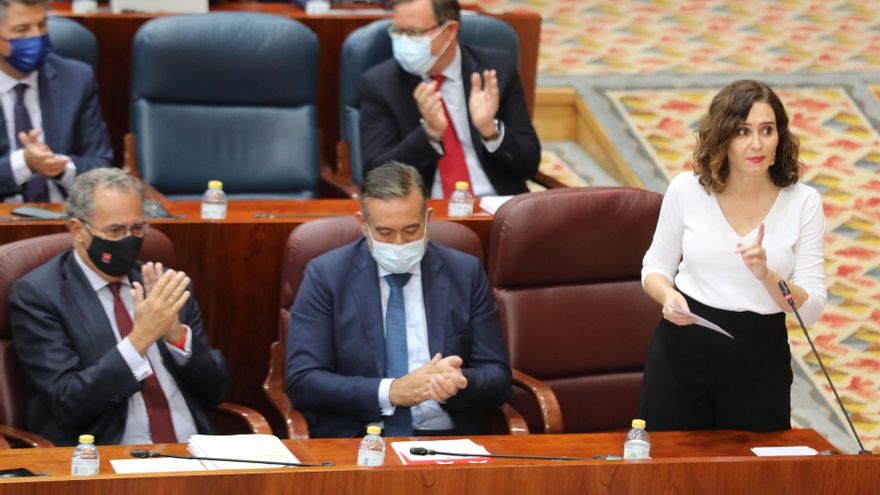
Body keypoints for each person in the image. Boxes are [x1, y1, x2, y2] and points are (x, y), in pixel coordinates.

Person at [639, 80, 827, 432]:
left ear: (779, 137)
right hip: (684, 349)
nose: (756, 144)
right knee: (670, 476)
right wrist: (667, 297)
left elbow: (812, 308)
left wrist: (767, 275)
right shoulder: (686, 190)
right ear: (722, 138)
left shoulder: (803, 202)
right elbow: (654, 268)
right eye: (743, 131)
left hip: (759, 357)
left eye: (766, 130)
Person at [286, 161, 511, 438]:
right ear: (363, 224)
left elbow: (498, 377)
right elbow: (303, 381)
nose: (399, 244)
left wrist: (459, 382)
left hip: (445, 438)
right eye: (385, 232)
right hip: (361, 438)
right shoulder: (327, 275)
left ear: (428, 219)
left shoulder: (464, 272)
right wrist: (391, 392)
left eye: (411, 230)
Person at [10, 168, 229, 446]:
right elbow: (67, 402)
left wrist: (177, 337)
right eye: (115, 231)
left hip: (195, 450)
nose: (129, 240)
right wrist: (139, 341)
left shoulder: (166, 286)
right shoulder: (40, 295)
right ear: (78, 230)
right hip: (107, 457)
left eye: (137, 229)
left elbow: (215, 392)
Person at [358, 0, 540, 198]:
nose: (403, 42)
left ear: (450, 30)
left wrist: (490, 131)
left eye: (414, 33)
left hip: (496, 207)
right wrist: (428, 134)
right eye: (397, 31)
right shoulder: (380, 85)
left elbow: (528, 165)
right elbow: (375, 176)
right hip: (428, 213)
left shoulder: (496, 70)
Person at [0, 0, 112, 203]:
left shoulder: (77, 78)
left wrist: (60, 167)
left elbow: (101, 165)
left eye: (42, 25)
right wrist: (23, 164)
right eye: (22, 29)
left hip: (66, 219)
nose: (36, 36)